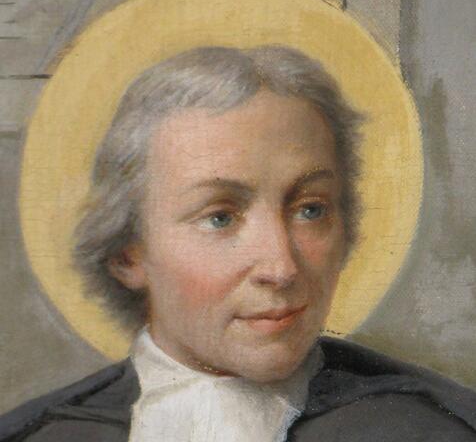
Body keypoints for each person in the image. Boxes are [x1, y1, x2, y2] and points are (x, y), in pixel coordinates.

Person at [1, 46, 475, 442]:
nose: (281, 267)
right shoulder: (47, 434)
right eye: (220, 217)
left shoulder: (428, 428)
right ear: (129, 252)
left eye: (311, 209)